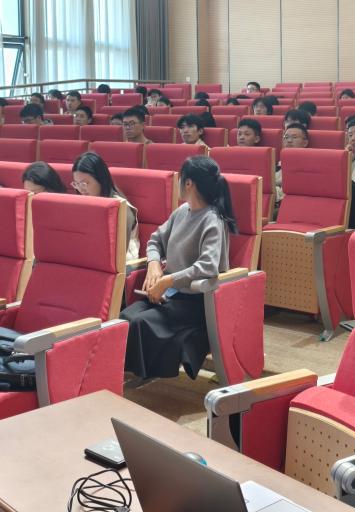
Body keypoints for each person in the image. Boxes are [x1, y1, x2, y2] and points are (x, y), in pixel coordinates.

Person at [120, 156, 235, 381]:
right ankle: (126, 375)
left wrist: (167, 281)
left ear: (188, 183)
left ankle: (136, 376)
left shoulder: (213, 219)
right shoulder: (182, 211)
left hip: (196, 301)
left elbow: (208, 266)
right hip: (171, 295)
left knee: (141, 323)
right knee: (125, 318)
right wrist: (154, 264)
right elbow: (155, 241)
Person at [71, 152, 140, 261]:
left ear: (100, 179)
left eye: (85, 184)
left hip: (125, 264)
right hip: (92, 258)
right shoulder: (85, 202)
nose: (81, 189)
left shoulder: (121, 209)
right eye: (76, 184)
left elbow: (118, 253)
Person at [276, 123, 310, 207]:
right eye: (286, 137)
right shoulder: (274, 164)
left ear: (305, 143)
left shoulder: (308, 167)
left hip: (293, 205)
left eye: (294, 137)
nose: (289, 141)